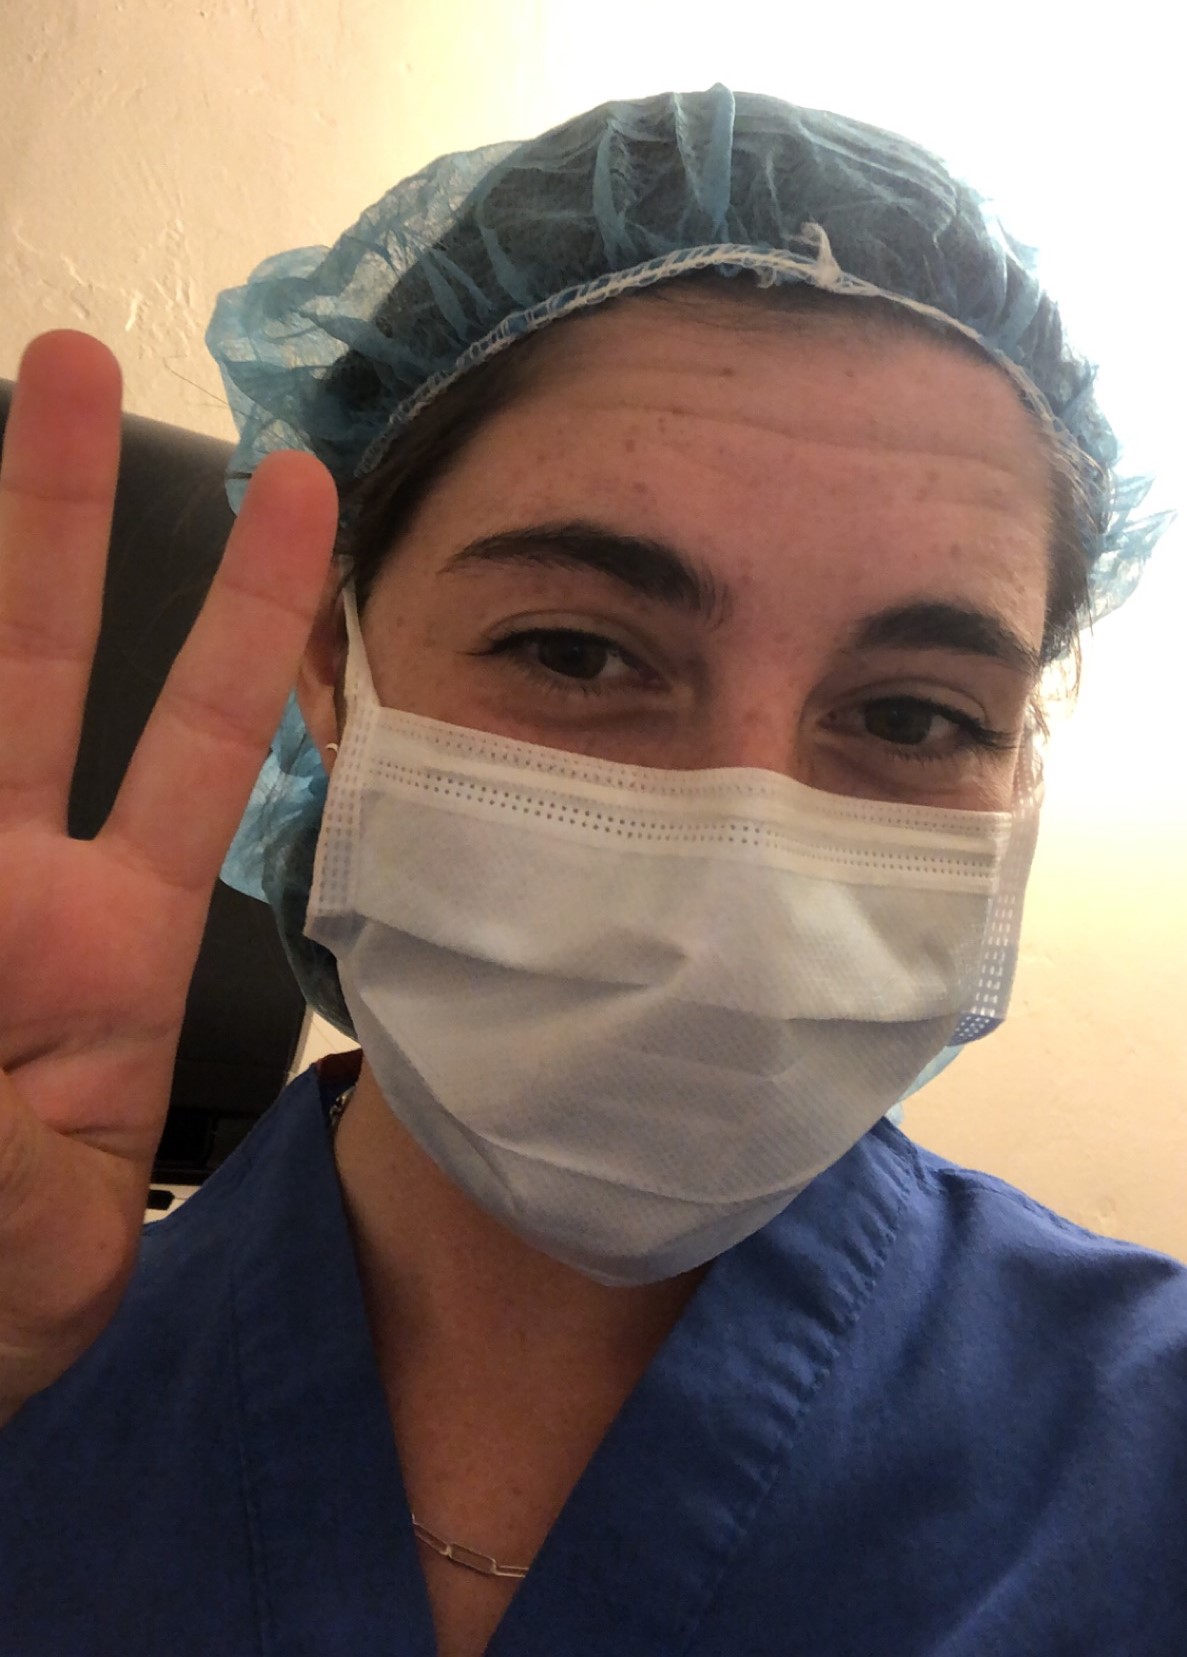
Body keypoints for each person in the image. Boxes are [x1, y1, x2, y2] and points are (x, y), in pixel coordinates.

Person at [0, 85, 1183, 1657]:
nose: (739, 862)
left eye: (913, 714)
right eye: (574, 649)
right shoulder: (29, 1366)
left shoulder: (1151, 1451)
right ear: (329, 673)